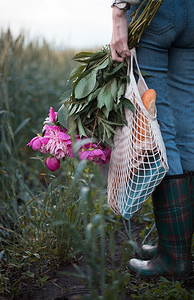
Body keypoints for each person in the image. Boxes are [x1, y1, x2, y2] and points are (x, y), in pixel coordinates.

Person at [110, 0, 194, 277]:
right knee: (186, 128)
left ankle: (173, 260)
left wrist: (119, 9)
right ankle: (176, 245)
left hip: (158, 13)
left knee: (160, 128)